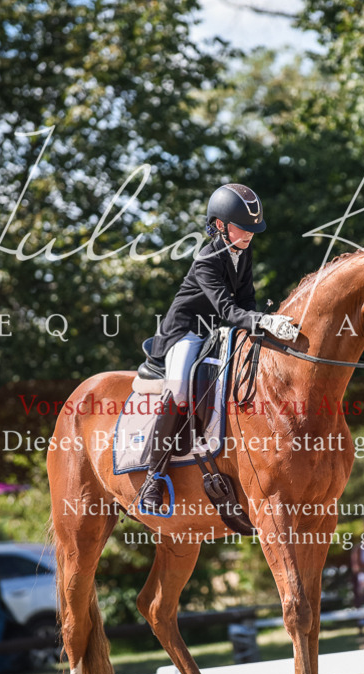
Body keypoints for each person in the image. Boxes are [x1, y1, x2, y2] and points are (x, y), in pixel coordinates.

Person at [136, 183, 299, 513]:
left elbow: (246, 299)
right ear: (221, 225)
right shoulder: (207, 259)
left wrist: (261, 319)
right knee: (181, 390)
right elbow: (226, 309)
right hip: (186, 332)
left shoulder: (242, 250)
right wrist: (259, 322)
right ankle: (153, 477)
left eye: (254, 228)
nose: (250, 234)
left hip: (219, 331)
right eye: (243, 227)